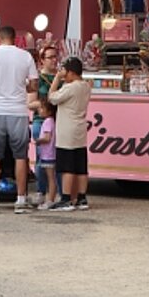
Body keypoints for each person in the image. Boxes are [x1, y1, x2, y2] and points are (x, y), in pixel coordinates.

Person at [0, 25, 38, 214]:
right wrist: (21, 89)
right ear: (15, 39)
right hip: (18, 111)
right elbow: (34, 84)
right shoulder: (25, 57)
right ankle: (20, 199)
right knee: (20, 156)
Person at [47, 56, 92, 211]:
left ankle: (66, 198)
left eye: (65, 72)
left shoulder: (70, 87)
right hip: (80, 129)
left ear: (72, 72)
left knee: (67, 166)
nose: (64, 75)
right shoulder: (86, 86)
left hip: (67, 130)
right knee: (80, 166)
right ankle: (82, 197)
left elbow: (51, 97)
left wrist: (56, 79)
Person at [33, 97, 58, 210]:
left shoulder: (48, 122)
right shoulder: (51, 121)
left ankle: (50, 200)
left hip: (48, 154)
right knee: (51, 177)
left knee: (50, 178)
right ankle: (50, 199)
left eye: (42, 108)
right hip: (50, 153)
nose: (40, 110)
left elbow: (47, 138)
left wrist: (38, 141)